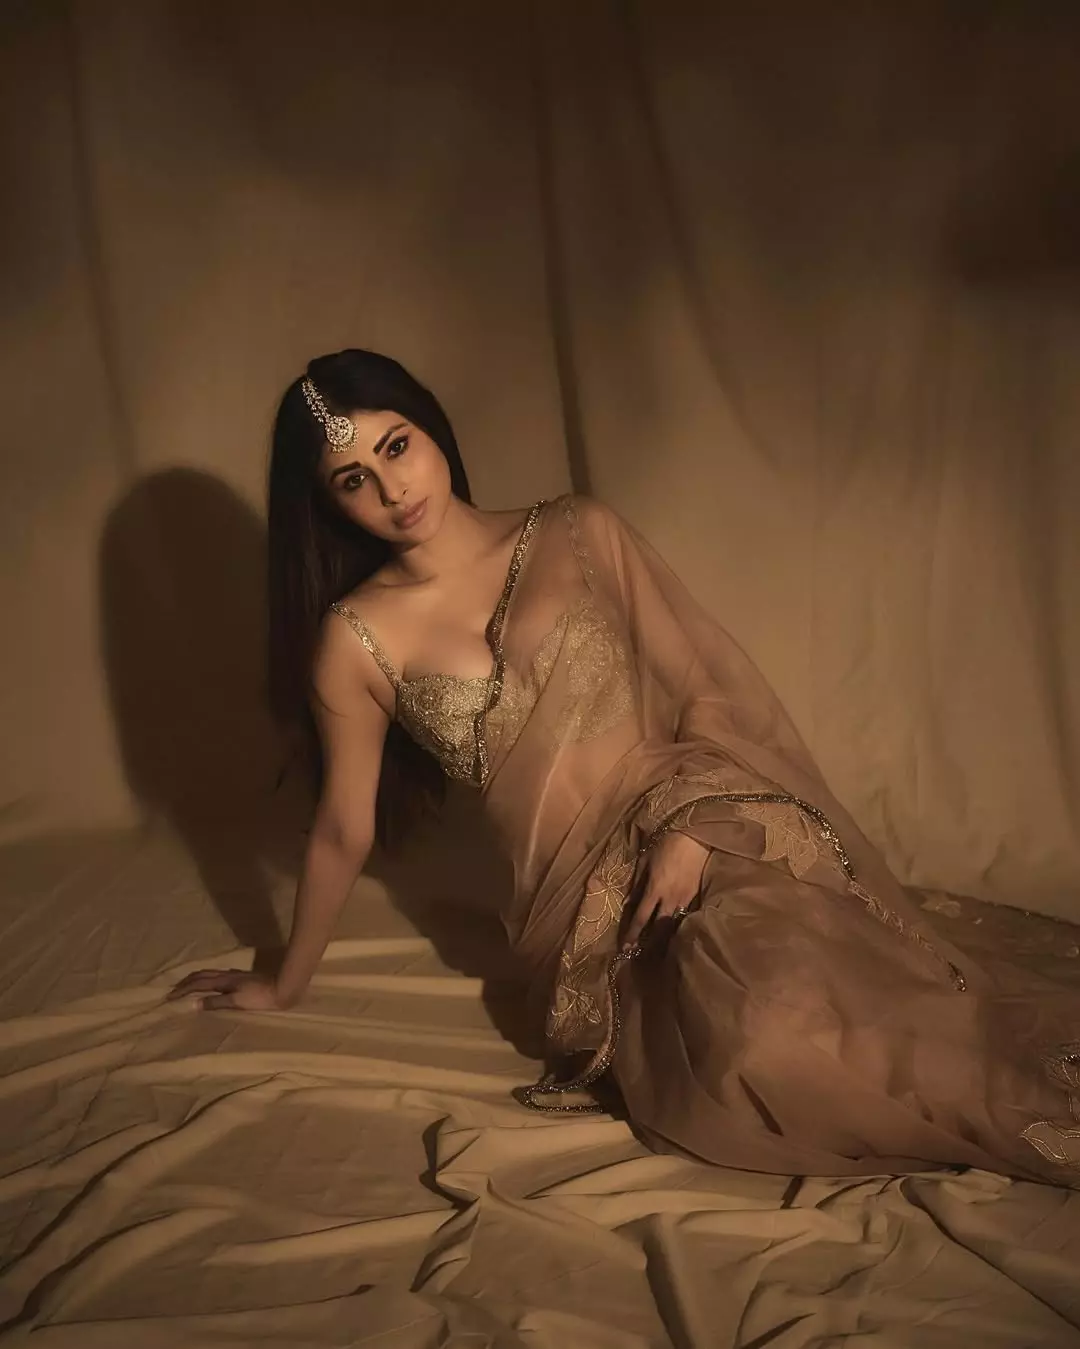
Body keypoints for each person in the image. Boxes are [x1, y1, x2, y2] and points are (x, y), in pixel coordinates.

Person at [169, 348, 1079, 1185]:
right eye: (353, 479)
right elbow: (343, 826)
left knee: (805, 981)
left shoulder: (578, 531)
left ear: (431, 427)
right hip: (583, 915)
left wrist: (691, 828)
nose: (391, 488)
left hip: (704, 825)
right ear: (329, 505)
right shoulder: (355, 638)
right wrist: (285, 980)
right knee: (752, 1047)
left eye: (396, 445)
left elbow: (707, 693)